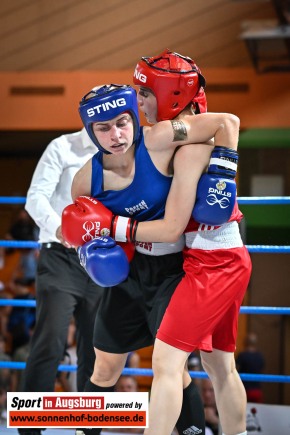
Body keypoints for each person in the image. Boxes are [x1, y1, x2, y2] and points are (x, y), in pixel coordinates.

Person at [68, 50, 251, 435]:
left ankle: (190, 431)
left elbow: (227, 124)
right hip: (151, 267)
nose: (116, 134)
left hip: (191, 264)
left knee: (170, 365)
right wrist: (90, 250)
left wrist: (223, 173)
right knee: (112, 364)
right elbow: (76, 232)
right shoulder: (87, 181)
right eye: (103, 128)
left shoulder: (166, 139)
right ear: (90, 132)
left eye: (124, 120)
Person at [18, 128, 104, 435]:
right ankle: (29, 431)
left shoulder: (125, 151)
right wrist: (63, 230)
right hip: (60, 255)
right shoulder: (62, 146)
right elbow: (35, 197)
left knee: (98, 349)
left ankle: (90, 429)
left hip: (103, 257)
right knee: (49, 343)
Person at [236, 332, 265, 403]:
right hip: (256, 390)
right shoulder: (259, 356)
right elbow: (262, 368)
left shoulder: (242, 355)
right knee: (257, 412)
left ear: (245, 342)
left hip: (243, 389)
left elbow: (234, 370)